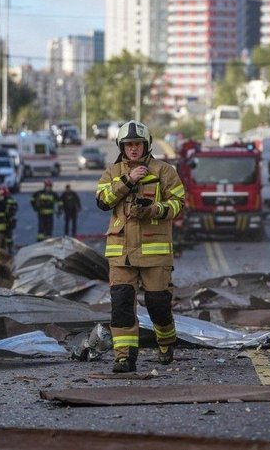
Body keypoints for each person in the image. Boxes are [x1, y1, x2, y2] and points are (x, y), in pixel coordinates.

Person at [96, 120, 185, 373]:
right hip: (121, 253)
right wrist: (127, 179)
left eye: (137, 144)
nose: (133, 149)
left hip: (154, 253)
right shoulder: (112, 173)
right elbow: (103, 201)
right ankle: (124, 358)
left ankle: (166, 342)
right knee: (121, 305)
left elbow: (178, 204)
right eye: (128, 145)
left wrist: (154, 209)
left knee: (158, 306)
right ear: (121, 147)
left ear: (146, 145)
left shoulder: (164, 171)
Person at [0, 185, 18, 253]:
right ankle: (5, 249)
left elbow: (14, 208)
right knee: (6, 236)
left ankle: (8, 249)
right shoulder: (9, 199)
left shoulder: (9, 200)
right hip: (4, 220)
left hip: (8, 220)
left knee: (8, 235)